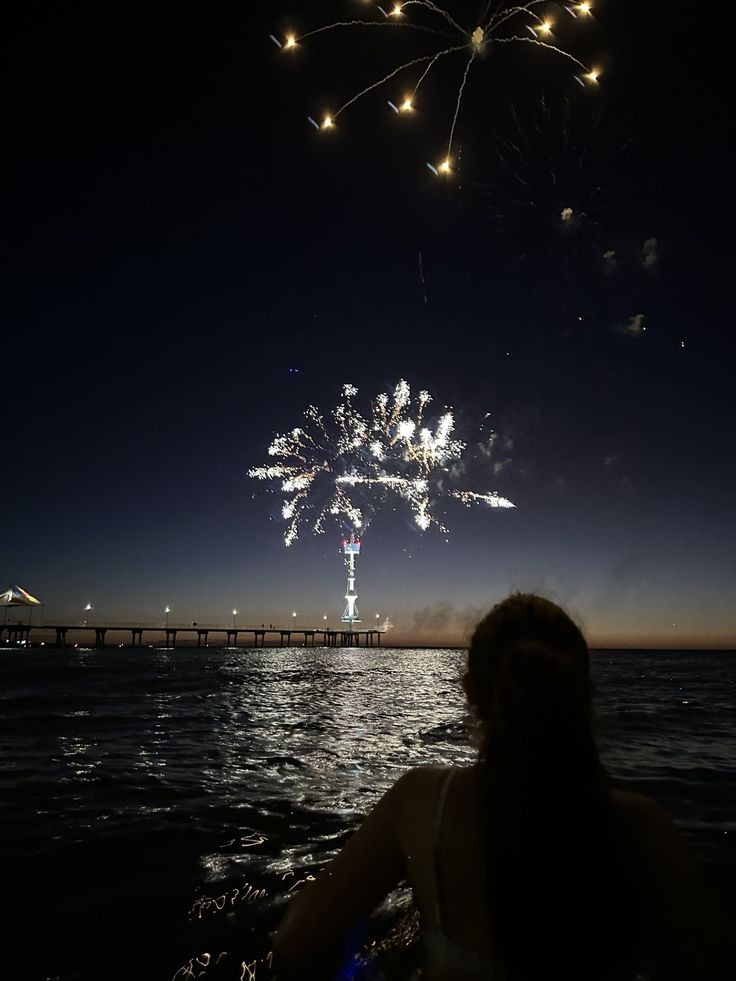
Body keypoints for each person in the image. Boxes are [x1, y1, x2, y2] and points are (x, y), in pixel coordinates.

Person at [274, 593, 731, 980]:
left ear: (469, 690)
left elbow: (298, 943)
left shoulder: (421, 805)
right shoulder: (644, 828)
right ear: (584, 693)